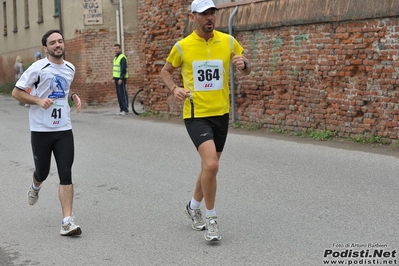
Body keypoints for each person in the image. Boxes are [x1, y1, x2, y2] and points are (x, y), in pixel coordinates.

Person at [160, 0, 251, 242]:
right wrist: (174, 89)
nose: (209, 17)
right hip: (196, 114)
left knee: (208, 168)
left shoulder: (228, 41)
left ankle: (192, 206)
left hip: (221, 113)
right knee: (211, 165)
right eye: (204, 14)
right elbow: (165, 71)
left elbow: (245, 66)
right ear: (193, 17)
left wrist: (244, 65)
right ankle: (211, 218)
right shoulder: (182, 46)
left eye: (212, 13)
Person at [12, 29, 82, 236]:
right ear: (46, 48)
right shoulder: (38, 68)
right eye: (53, 43)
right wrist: (38, 100)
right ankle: (35, 185)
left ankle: (67, 222)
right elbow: (17, 92)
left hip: (63, 129)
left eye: (60, 41)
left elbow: (65, 89)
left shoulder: (70, 68)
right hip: (41, 130)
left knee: (66, 173)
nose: (58, 45)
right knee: (42, 171)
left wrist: (74, 96)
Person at [112, 43, 129, 115]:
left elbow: (123, 69)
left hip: (121, 79)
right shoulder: (116, 57)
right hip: (116, 78)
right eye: (114, 48)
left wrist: (121, 78)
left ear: (120, 49)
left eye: (116, 48)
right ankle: (121, 109)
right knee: (119, 94)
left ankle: (125, 109)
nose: (115, 50)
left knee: (122, 94)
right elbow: (115, 69)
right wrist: (114, 78)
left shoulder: (122, 57)